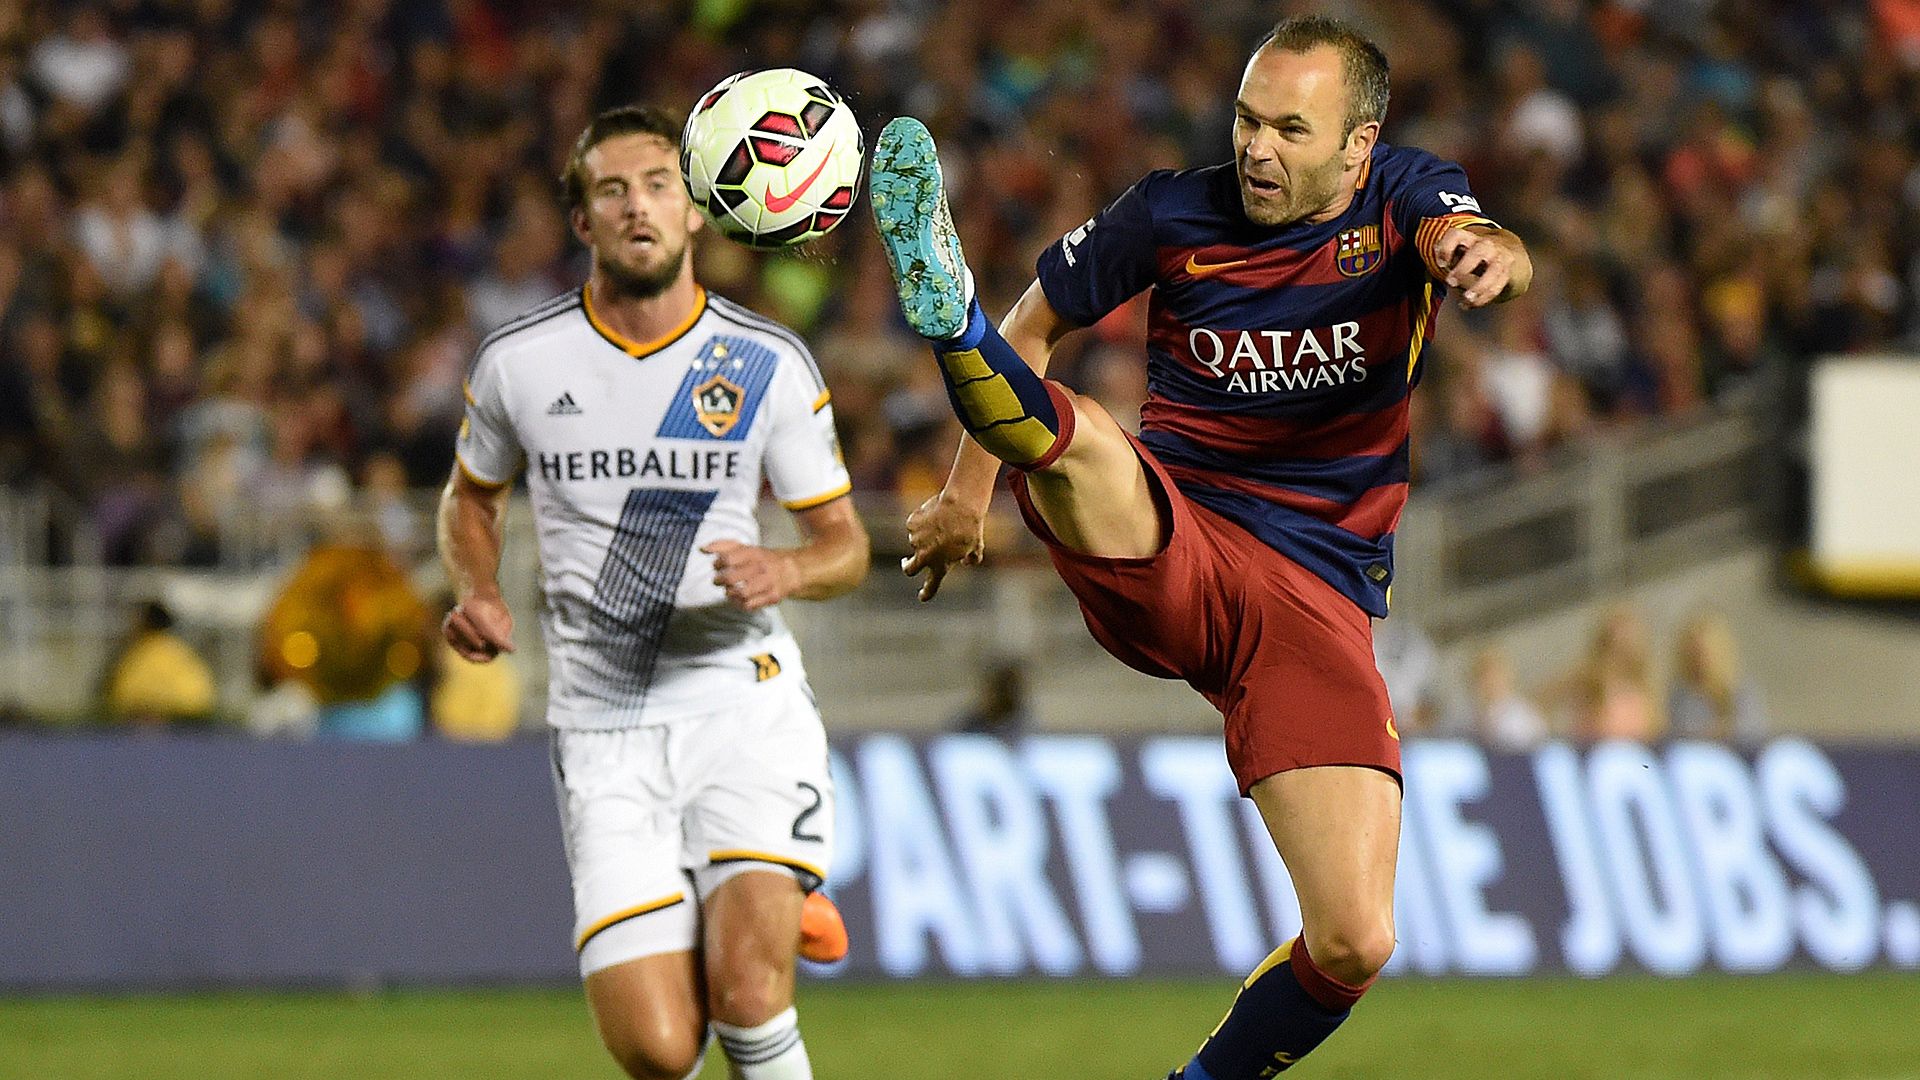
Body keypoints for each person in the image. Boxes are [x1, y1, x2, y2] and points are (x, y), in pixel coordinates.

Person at [870, 15, 1531, 1077]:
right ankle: (954, 328)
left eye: (1291, 129)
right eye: (1247, 119)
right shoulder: (1172, 209)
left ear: (1357, 148)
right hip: (1177, 527)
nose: (1257, 148)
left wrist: (1489, 252)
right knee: (1082, 442)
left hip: (1317, 593)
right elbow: (1036, 322)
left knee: (1356, 940)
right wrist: (965, 495)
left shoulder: (1408, 196)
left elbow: (1481, 235)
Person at [436, 105, 868, 1080]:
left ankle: (755, 899)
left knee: (752, 1000)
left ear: (698, 211)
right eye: (612, 190)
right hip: (604, 732)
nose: (639, 206)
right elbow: (470, 497)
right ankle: (751, 902)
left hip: (740, 706)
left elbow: (844, 546)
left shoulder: (765, 362)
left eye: (660, 184)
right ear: (583, 222)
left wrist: (787, 568)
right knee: (659, 1050)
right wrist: (478, 587)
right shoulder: (520, 362)